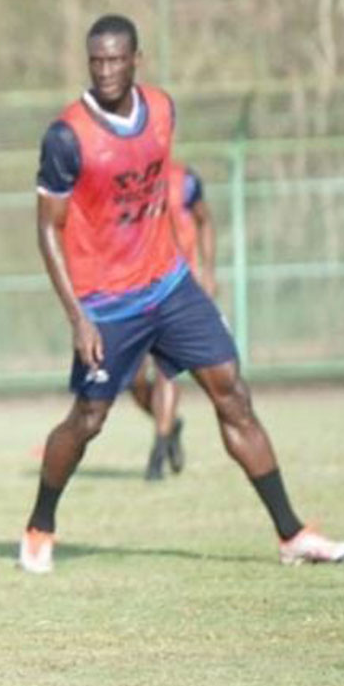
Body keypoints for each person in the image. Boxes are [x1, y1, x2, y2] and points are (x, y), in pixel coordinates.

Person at [22, 14, 344, 573]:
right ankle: (40, 525)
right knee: (88, 420)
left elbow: (161, 200)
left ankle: (292, 534)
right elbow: (45, 229)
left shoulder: (163, 110)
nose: (105, 70)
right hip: (107, 301)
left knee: (234, 394)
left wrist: (192, 264)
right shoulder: (66, 136)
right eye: (95, 61)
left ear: (136, 60)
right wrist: (78, 316)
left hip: (171, 285)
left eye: (115, 60)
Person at [130, 161, 215, 480]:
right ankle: (170, 425)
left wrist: (208, 271)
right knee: (134, 379)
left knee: (167, 370)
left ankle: (157, 453)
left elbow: (205, 221)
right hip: (133, 291)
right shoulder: (121, 182)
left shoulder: (185, 181)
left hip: (177, 289)